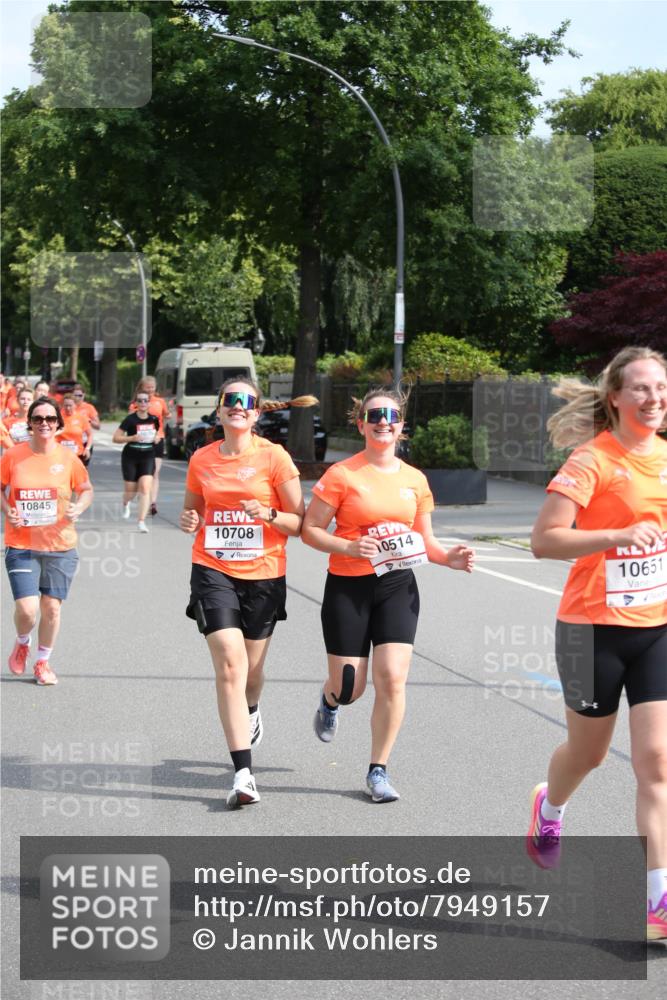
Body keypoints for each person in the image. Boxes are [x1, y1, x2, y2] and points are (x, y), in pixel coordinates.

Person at [528, 346, 667, 942]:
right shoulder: (591, 461)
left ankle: (659, 903)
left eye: (660, 387)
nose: (653, 398)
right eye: (640, 388)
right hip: (589, 630)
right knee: (585, 754)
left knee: (656, 764)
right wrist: (616, 535)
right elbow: (544, 541)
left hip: (656, 628)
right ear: (615, 396)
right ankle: (549, 806)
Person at [301, 387, 475, 803]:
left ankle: (378, 771)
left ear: (401, 426)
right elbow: (310, 530)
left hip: (398, 586)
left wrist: (449, 557)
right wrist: (347, 547)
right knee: (350, 688)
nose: (384, 421)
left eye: (391, 416)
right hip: (349, 585)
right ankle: (330, 702)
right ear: (361, 423)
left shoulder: (415, 480)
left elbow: (425, 541)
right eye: (375, 415)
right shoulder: (342, 475)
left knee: (393, 679)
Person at [180, 378, 315, 808]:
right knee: (229, 666)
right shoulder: (202, 459)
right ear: (219, 411)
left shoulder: (275, 458)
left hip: (263, 575)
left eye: (246, 402)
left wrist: (269, 513)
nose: (238, 407)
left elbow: (302, 524)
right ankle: (243, 773)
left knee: (251, 675)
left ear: (257, 412)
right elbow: (194, 510)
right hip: (212, 569)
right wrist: (190, 521)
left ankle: (252, 707)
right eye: (230, 401)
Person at [2, 396, 93, 685]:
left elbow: (86, 488)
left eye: (50, 419)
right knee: (27, 610)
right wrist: (8, 509)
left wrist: (79, 506)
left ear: (58, 424)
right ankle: (22, 640)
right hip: (22, 544)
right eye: (38, 418)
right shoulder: (13, 456)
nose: (44, 423)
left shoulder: (68, 458)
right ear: (29, 423)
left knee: (52, 608)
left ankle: (42, 662)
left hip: (60, 546)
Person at [112, 391, 160, 534]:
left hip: (148, 455)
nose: (143, 403)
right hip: (130, 456)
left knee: (145, 487)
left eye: (146, 400)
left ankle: (141, 521)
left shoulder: (154, 419)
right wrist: (131, 438)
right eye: (140, 400)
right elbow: (116, 438)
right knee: (131, 490)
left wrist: (157, 438)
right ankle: (126, 503)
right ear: (136, 404)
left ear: (149, 403)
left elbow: (159, 433)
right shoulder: (130, 420)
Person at [129, 377, 169, 516]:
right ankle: (144, 495)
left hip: (158, 439)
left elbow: (166, 414)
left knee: (155, 472)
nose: (150, 390)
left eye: (152, 387)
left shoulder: (160, 401)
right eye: (147, 388)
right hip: (141, 441)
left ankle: (152, 502)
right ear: (141, 388)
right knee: (145, 473)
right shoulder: (136, 403)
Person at [58, 394, 93, 463]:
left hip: (77, 454)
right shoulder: (58, 418)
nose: (68, 408)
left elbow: (90, 435)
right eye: (66, 405)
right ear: (62, 406)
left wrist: (87, 448)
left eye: (70, 405)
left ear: (75, 405)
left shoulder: (81, 418)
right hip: (60, 454)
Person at [72, 384, 100, 466]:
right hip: (71, 441)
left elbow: (98, 426)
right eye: (75, 395)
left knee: (83, 467)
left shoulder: (89, 407)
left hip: (85, 441)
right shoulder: (68, 407)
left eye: (80, 395)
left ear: (84, 395)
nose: (77, 398)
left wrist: (89, 421)